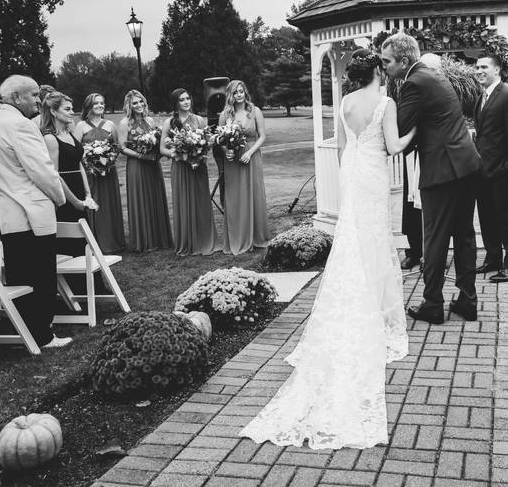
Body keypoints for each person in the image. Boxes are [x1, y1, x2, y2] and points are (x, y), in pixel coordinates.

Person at [240, 50, 415, 449]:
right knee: (373, 238)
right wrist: (415, 131)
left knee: (353, 237)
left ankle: (358, 295)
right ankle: (375, 303)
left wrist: (349, 173)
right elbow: (393, 147)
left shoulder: (346, 103)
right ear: (375, 71)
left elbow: (340, 150)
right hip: (373, 173)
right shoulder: (385, 103)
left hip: (353, 172)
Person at [382, 33, 481, 325]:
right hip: (465, 164)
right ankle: (467, 300)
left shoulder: (414, 83)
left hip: (442, 171)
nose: (384, 66)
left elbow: (401, 128)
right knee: (463, 235)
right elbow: (429, 123)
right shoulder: (434, 77)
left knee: (434, 237)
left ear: (403, 61)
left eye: (387, 61)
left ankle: (433, 304)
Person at [0, 75, 70, 349]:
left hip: (8, 214)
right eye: (33, 94)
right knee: (41, 276)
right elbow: (42, 170)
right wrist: (59, 198)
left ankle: (26, 331)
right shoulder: (20, 125)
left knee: (20, 276)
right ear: (17, 97)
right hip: (31, 213)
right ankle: (43, 334)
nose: (38, 99)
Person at [473, 54, 508, 283]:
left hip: (501, 172)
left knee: (507, 219)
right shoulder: (481, 97)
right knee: (487, 218)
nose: (479, 71)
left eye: (484, 67)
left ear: (497, 70)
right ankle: (493, 258)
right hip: (482, 172)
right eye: (477, 67)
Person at [159, 88, 219, 256]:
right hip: (180, 167)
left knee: (201, 201)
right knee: (183, 201)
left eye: (188, 98)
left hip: (198, 166)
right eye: (182, 100)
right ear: (176, 103)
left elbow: (208, 143)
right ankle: (188, 241)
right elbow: (162, 148)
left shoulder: (200, 120)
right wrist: (176, 153)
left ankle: (205, 239)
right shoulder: (169, 122)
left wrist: (200, 150)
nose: (186, 102)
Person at [218, 80, 271, 255]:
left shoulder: (254, 111)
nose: (239, 95)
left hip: (251, 155)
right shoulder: (225, 115)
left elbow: (262, 136)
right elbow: (220, 139)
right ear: (230, 95)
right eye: (235, 92)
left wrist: (250, 153)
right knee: (235, 197)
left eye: (241, 91)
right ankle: (238, 237)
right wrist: (227, 151)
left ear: (245, 93)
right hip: (232, 160)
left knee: (253, 193)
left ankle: (257, 236)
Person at [118, 90, 172, 251]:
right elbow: (122, 147)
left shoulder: (150, 120)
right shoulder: (124, 123)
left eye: (141, 102)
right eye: (135, 103)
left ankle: (158, 238)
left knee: (155, 197)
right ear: (129, 105)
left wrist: (157, 152)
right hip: (137, 165)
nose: (139, 105)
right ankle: (144, 240)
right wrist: (141, 156)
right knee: (140, 198)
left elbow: (157, 142)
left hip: (153, 165)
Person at [41, 91, 91, 257]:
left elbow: (79, 164)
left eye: (72, 109)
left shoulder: (70, 132)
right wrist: (75, 201)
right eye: (67, 109)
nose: (72, 112)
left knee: (85, 236)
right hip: (64, 193)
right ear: (54, 112)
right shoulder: (50, 138)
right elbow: (54, 175)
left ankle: (90, 279)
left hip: (79, 187)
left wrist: (87, 193)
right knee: (71, 237)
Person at [75, 93, 125, 253]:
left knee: (110, 203)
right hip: (91, 173)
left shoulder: (110, 124)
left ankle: (114, 241)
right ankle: (97, 242)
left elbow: (116, 147)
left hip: (109, 173)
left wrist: (108, 160)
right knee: (95, 204)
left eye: (102, 103)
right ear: (89, 106)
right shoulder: (81, 126)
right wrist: (91, 160)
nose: (100, 105)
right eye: (96, 103)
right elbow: (76, 151)